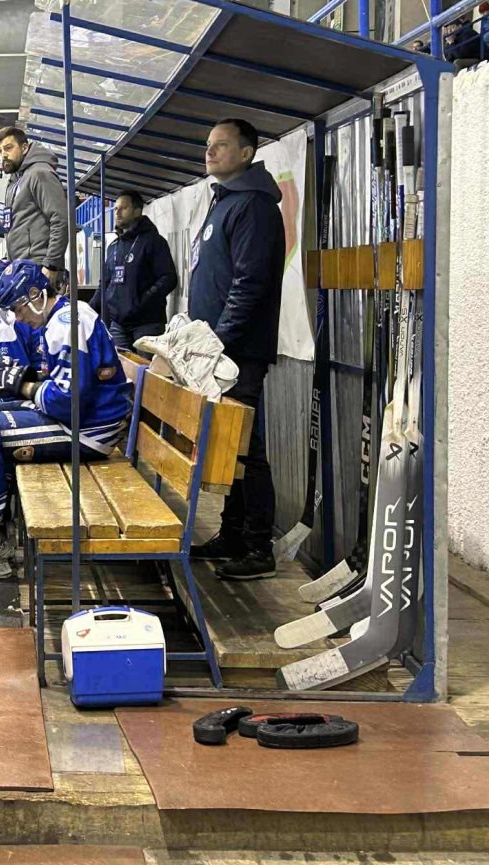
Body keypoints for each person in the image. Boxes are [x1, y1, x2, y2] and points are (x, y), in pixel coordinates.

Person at [0, 259, 130, 577]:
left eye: (18, 308)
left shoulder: (67, 324)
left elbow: (69, 402)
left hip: (88, 432)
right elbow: (57, 380)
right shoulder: (58, 319)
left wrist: (23, 384)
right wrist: (10, 376)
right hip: (80, 421)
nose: (18, 317)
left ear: (36, 294)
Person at [187, 118, 286, 581]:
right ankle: (232, 531)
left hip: (237, 350)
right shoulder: (224, 201)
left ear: (246, 153)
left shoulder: (254, 206)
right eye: (208, 145)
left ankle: (256, 543)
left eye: (221, 146)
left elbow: (250, 282)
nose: (210, 152)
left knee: (247, 447)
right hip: (219, 350)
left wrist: (219, 340)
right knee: (232, 444)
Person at [91, 190, 177, 352]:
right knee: (121, 372)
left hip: (147, 324)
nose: (117, 212)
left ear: (137, 211)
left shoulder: (153, 241)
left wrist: (142, 302)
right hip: (118, 325)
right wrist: (86, 310)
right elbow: (104, 284)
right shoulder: (113, 247)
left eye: (123, 208)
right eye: (115, 209)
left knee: (146, 374)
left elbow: (168, 278)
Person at [0, 126, 70, 289]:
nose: (3, 155)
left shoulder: (40, 173)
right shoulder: (15, 180)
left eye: (8, 148)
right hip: (20, 267)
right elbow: (17, 224)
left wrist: (51, 265)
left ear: (24, 148)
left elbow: (60, 219)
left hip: (38, 267)